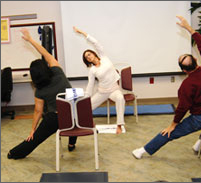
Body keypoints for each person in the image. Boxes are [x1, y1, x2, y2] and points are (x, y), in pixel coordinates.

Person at [132, 15, 201, 159]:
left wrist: (173, 124)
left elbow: (182, 108)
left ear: (184, 70)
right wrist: (188, 28)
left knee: (169, 133)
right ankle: (200, 142)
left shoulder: (187, 85)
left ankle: (142, 151)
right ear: (197, 60)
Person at [7, 28, 77, 159]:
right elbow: (45, 53)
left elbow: (38, 111)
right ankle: (72, 143)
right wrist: (30, 40)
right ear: (46, 67)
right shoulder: (58, 72)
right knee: (73, 108)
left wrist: (33, 129)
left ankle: (14, 153)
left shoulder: (39, 90)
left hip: (55, 120)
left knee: (36, 138)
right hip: (75, 115)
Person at [73, 27, 125, 134]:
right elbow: (90, 85)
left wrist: (83, 33)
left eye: (89, 54)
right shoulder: (92, 70)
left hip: (114, 90)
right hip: (102, 92)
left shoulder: (104, 57)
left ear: (94, 53)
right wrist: (86, 97)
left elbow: (96, 43)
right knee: (86, 107)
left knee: (120, 98)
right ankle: (81, 124)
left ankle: (119, 125)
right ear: (87, 61)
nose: (89, 57)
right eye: (87, 58)